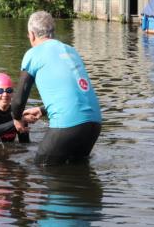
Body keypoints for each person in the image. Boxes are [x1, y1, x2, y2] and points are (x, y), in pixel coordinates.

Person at [11, 11, 102, 165]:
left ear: (32, 35)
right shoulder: (71, 51)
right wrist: (42, 110)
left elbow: (18, 101)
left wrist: (17, 118)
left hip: (68, 124)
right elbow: (76, 94)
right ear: (53, 33)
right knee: (76, 170)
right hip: (94, 123)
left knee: (40, 169)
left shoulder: (33, 54)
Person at [0, 73, 35, 144]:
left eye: (9, 90)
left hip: (8, 153)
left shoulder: (17, 113)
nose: (5, 94)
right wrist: (18, 121)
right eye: (0, 91)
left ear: (12, 92)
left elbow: (24, 144)